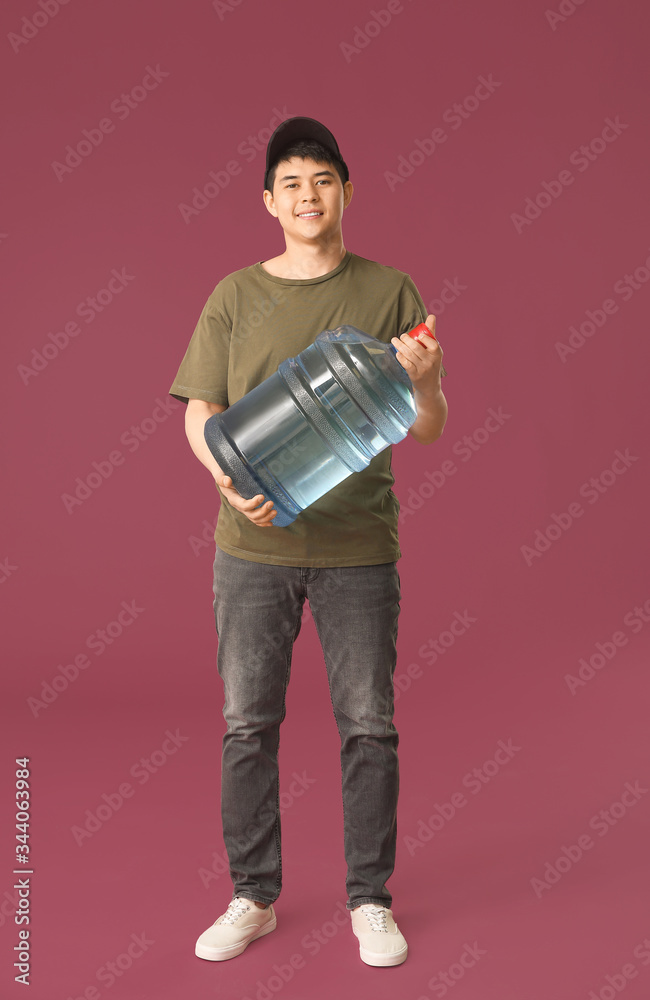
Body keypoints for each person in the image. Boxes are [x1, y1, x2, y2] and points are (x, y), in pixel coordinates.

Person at [168, 116, 448, 968]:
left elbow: (426, 428)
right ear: (268, 201)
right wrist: (226, 479)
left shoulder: (390, 289)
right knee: (247, 724)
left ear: (346, 191)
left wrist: (426, 381)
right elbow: (200, 411)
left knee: (370, 726)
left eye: (322, 179)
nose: (307, 194)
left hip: (360, 547)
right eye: (291, 182)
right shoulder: (233, 296)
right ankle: (253, 895)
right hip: (250, 552)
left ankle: (370, 899)